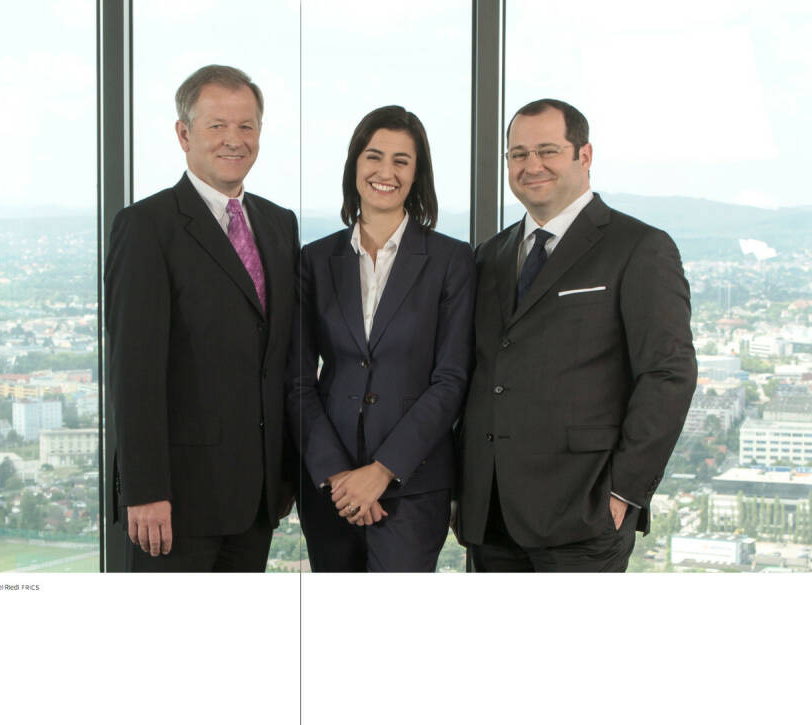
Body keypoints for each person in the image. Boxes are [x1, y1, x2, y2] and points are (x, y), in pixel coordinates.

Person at [455, 98, 697, 572]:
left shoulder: (640, 247)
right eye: (518, 154)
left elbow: (669, 374)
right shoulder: (490, 255)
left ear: (584, 156)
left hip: (583, 513)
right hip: (490, 515)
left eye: (547, 151)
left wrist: (624, 491)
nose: (531, 165)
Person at [104, 65, 299, 572]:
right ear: (184, 134)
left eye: (246, 126)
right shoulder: (147, 226)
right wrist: (145, 490)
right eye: (217, 126)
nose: (234, 139)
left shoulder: (279, 225)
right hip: (175, 503)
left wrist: (284, 474)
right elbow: (133, 372)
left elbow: (281, 362)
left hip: (258, 498)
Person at [291, 105, 474, 572]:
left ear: (417, 175)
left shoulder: (451, 261)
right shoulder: (315, 259)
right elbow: (298, 380)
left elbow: (451, 380)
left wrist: (382, 471)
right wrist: (337, 475)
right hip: (329, 487)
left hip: (413, 486)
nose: (385, 172)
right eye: (374, 156)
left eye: (401, 161)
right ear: (355, 164)